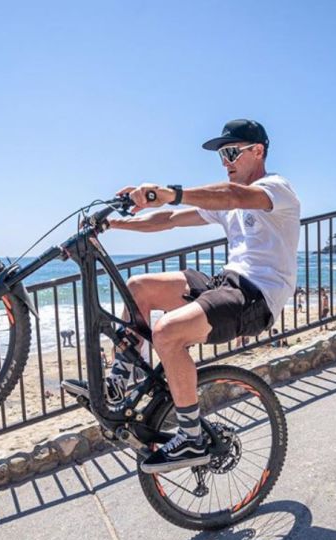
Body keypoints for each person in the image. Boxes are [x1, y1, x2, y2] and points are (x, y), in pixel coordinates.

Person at [64, 119, 301, 474]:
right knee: (139, 287)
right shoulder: (226, 202)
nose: (225, 161)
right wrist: (114, 225)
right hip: (227, 283)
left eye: (231, 152)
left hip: (257, 296)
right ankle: (121, 379)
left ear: (258, 152)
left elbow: (233, 194)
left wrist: (171, 190)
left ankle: (191, 436)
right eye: (222, 155)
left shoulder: (275, 189)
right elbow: (170, 219)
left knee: (166, 333)